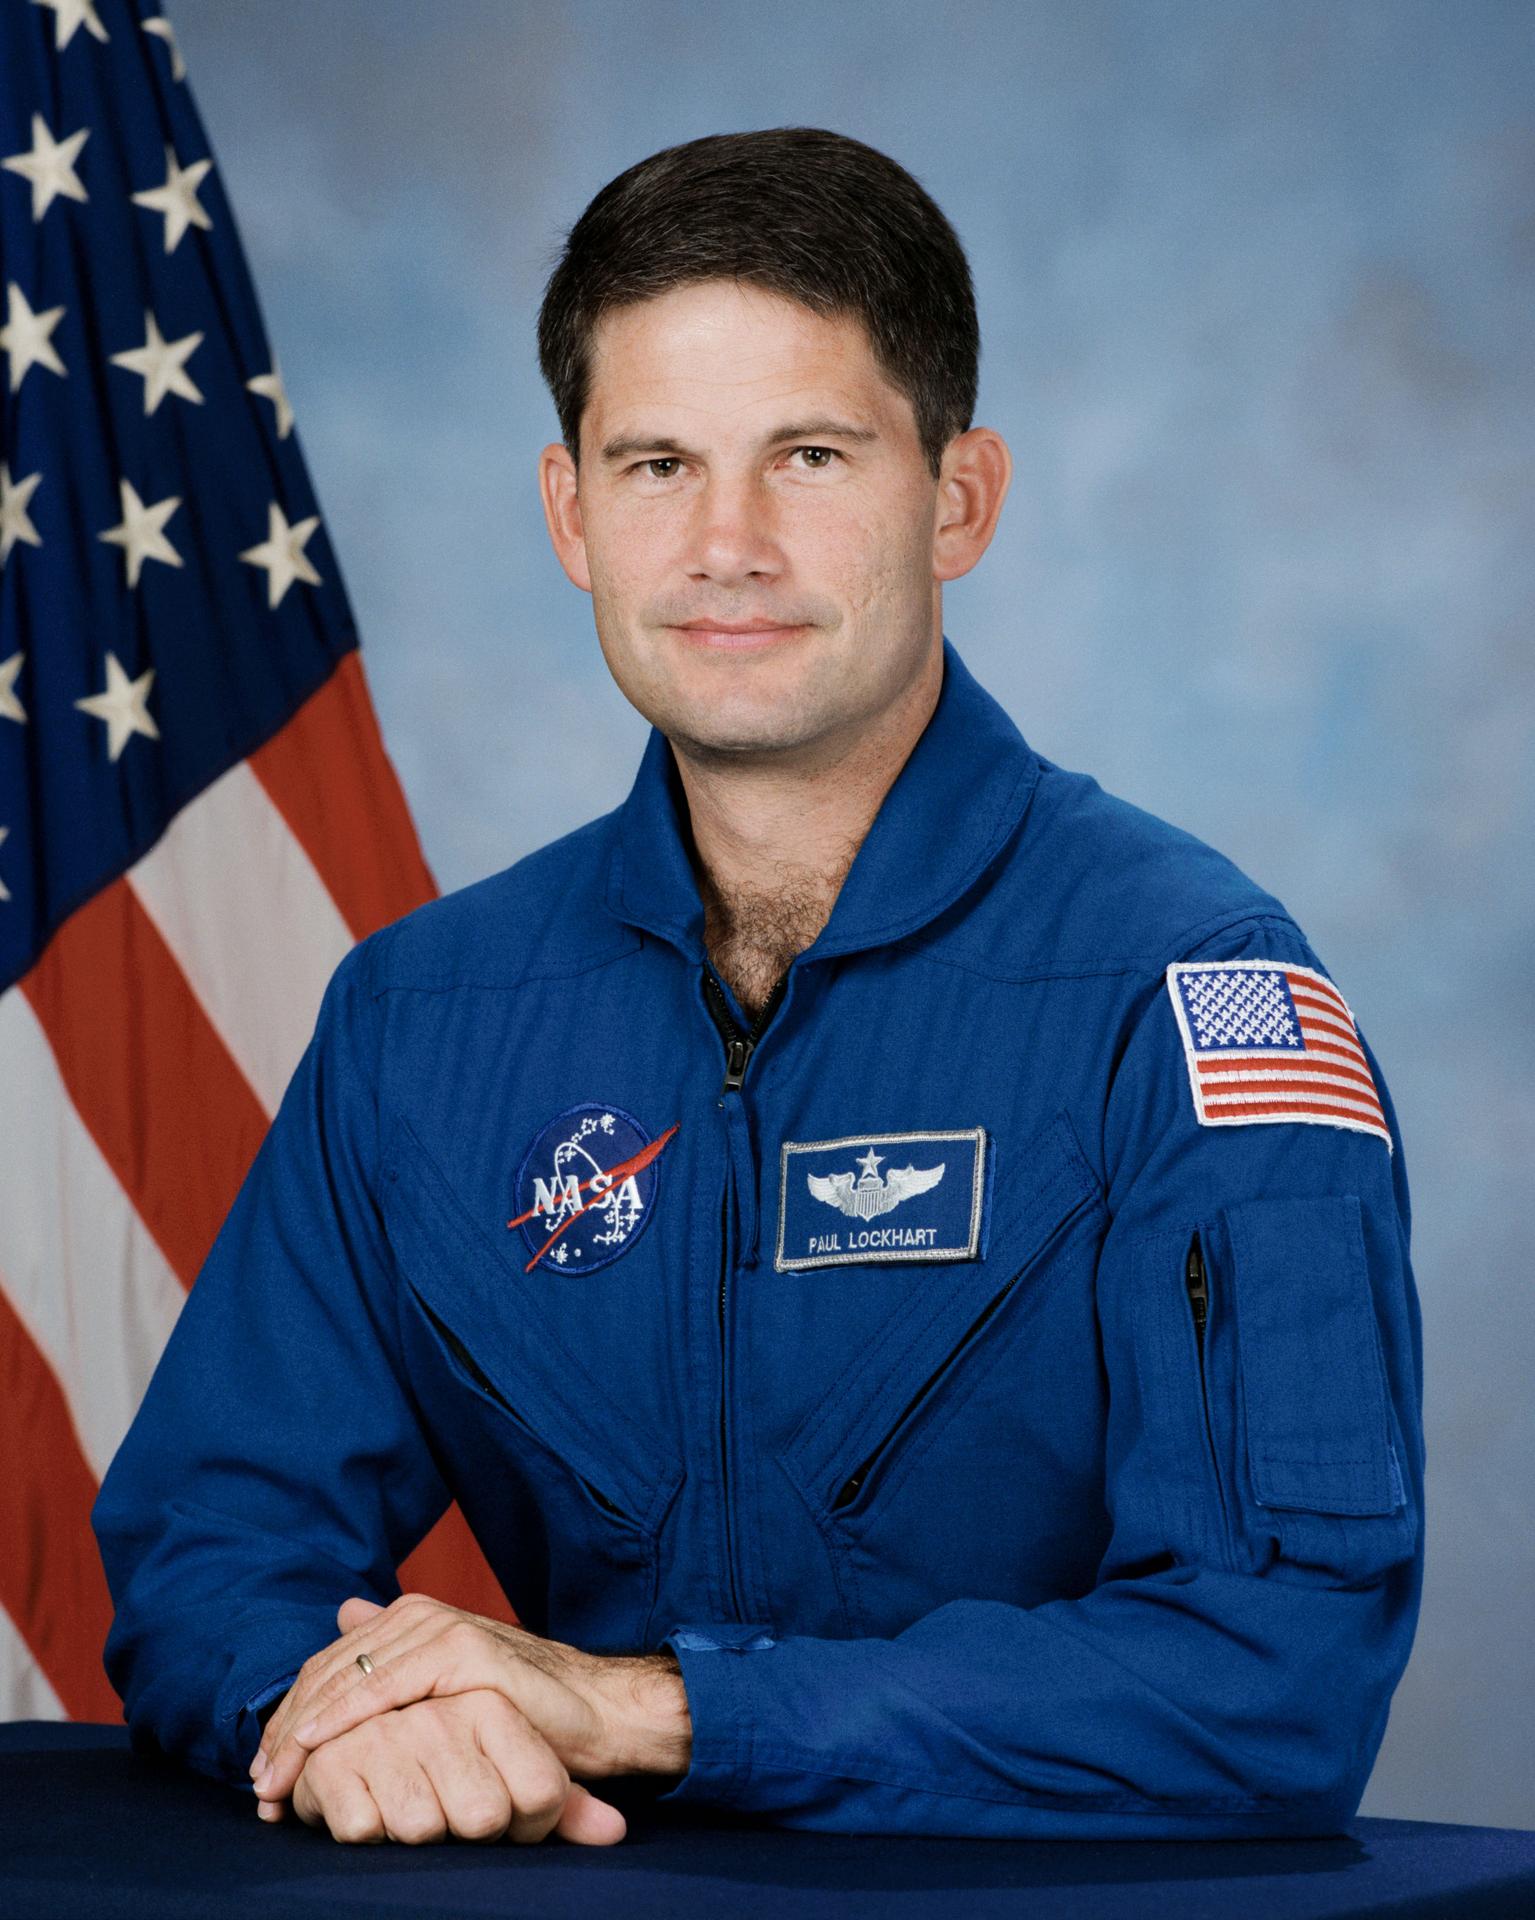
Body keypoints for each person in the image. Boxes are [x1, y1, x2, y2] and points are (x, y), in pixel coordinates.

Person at [92, 126, 1425, 1849]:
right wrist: (337, 1715)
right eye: (657, 464)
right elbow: (210, 1547)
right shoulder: (424, 1020)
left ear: (959, 498)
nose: (727, 544)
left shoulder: (1194, 998)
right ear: (571, 513)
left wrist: (654, 1709)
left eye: (808, 456)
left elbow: (1277, 1672)